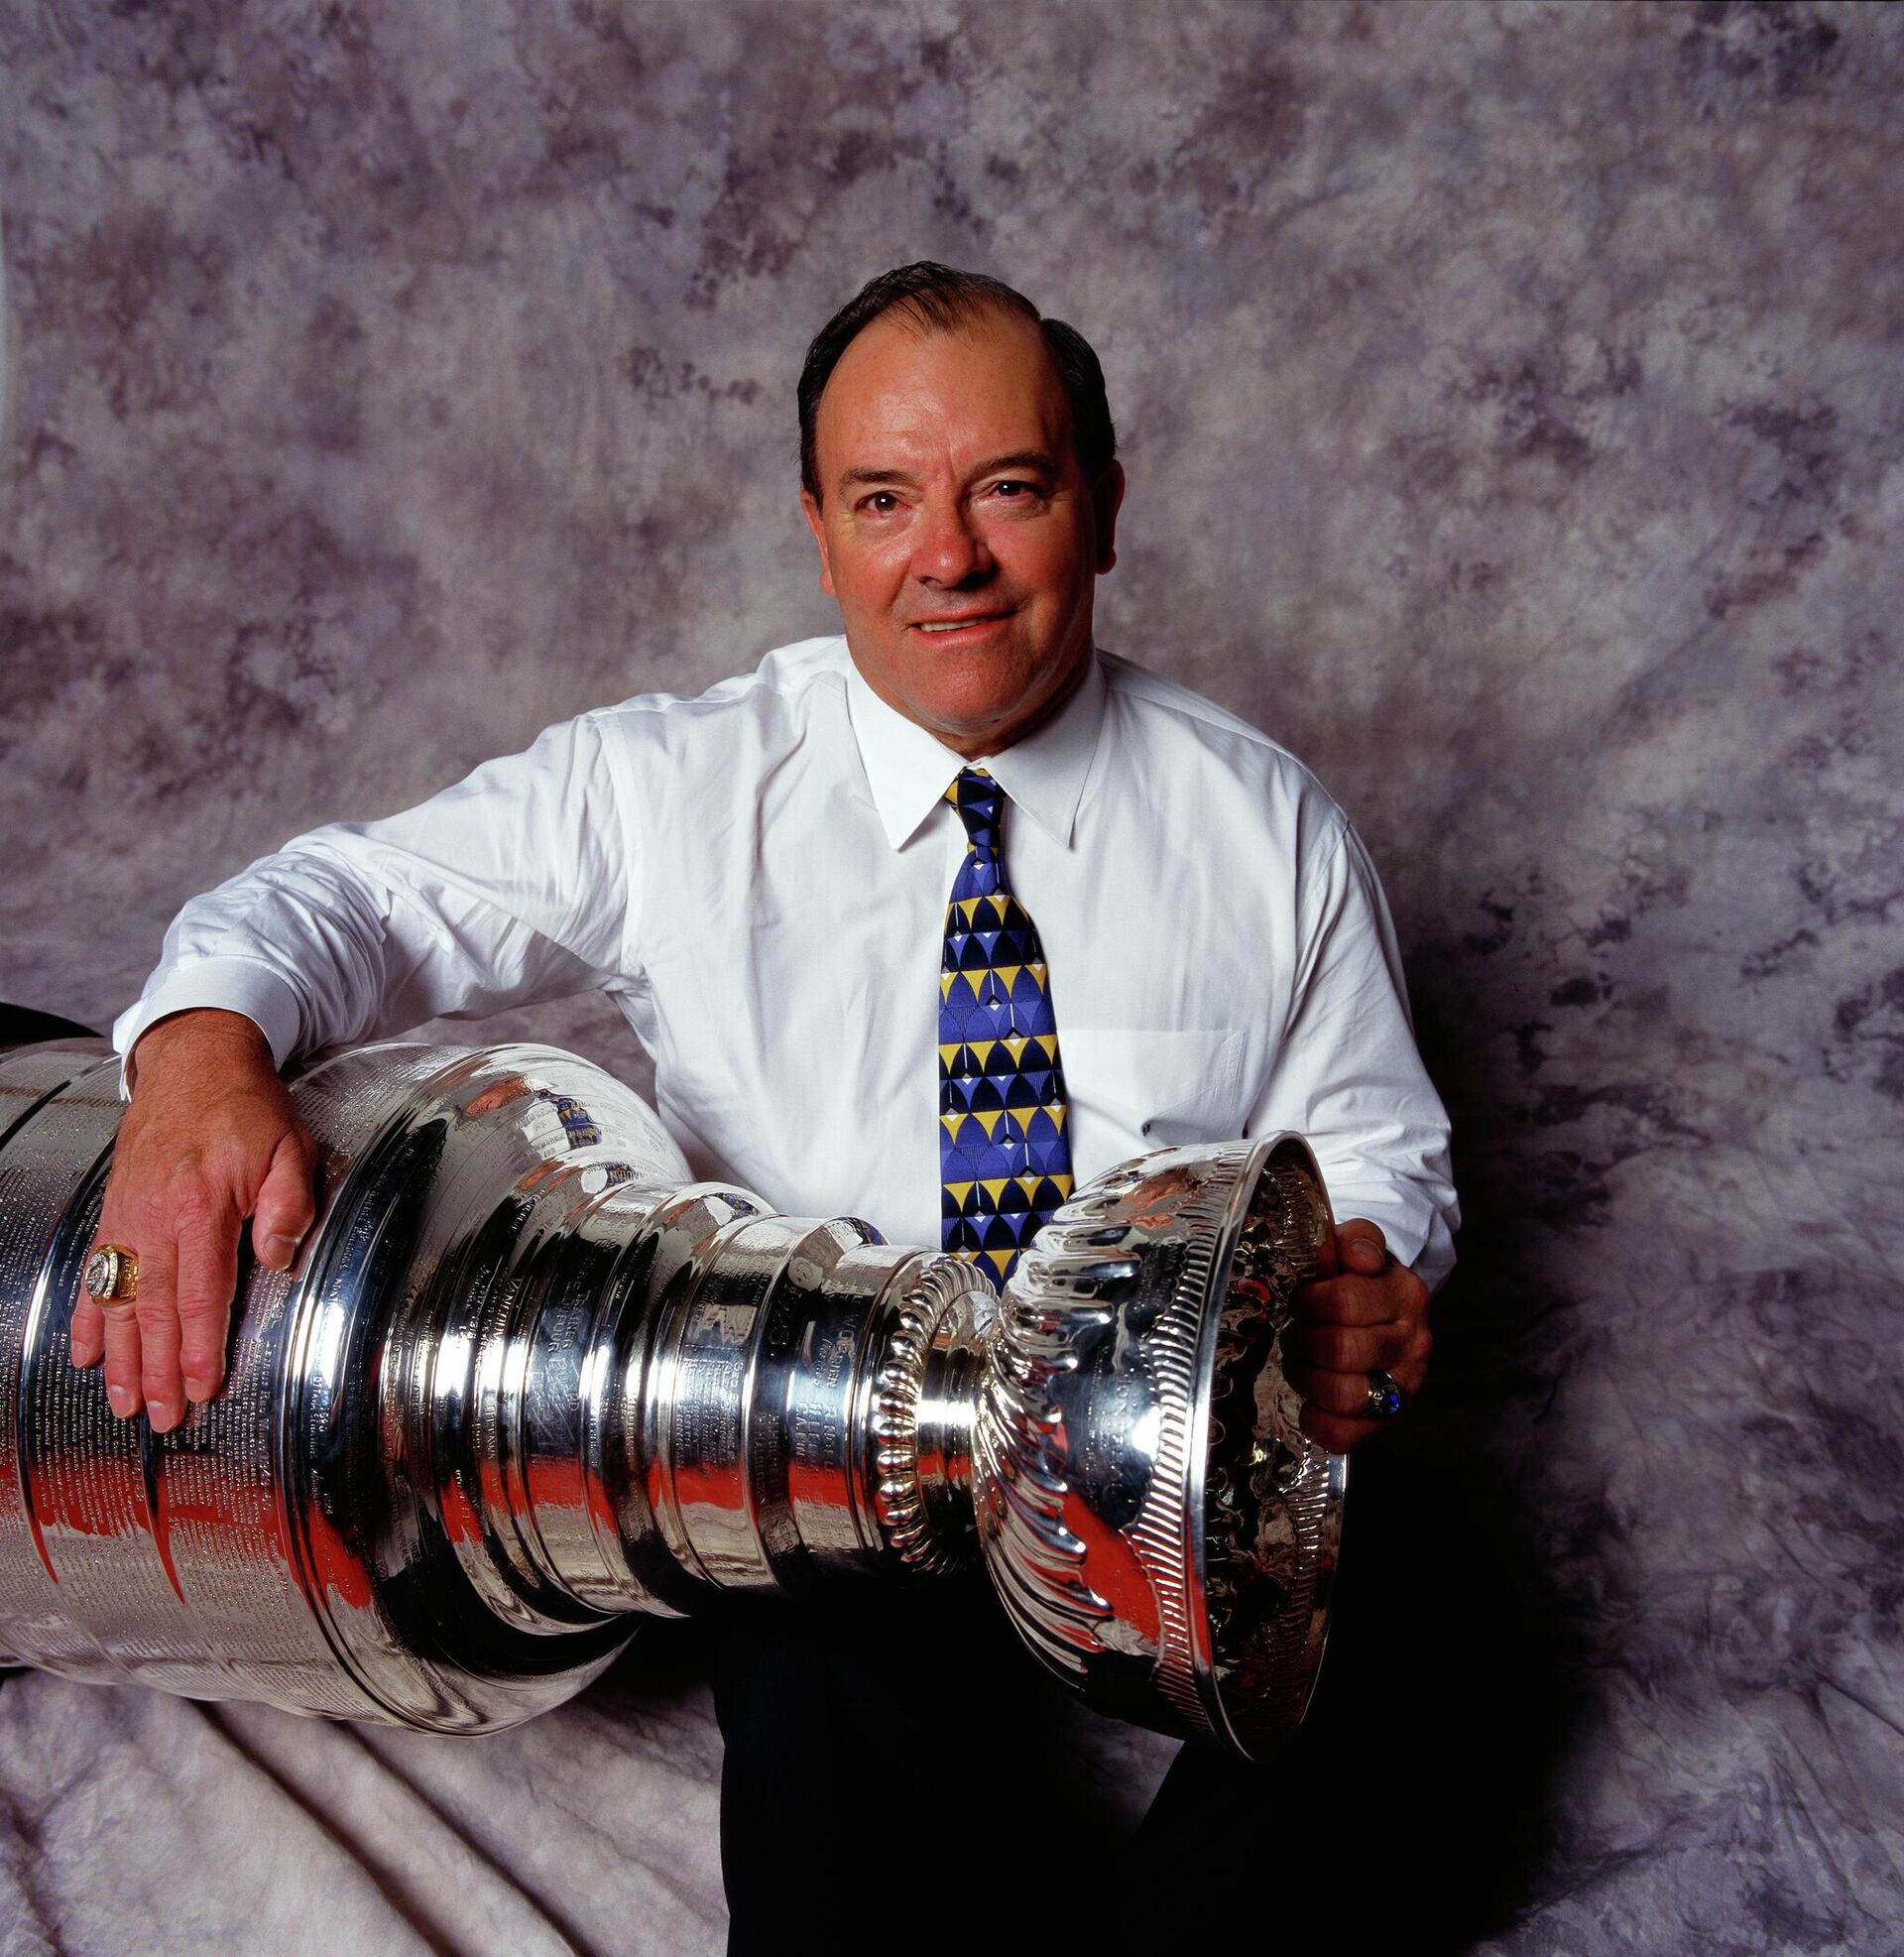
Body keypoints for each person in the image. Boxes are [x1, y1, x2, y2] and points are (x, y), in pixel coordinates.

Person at [79, 262, 1456, 1948]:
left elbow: (1374, 1148)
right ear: (819, 532)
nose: (945, 556)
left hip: (1161, 1457)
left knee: (1428, 1619)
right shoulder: (674, 784)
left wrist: (1365, 1284)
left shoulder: (1266, 824)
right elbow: (349, 900)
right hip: (830, 1468)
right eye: (884, 500)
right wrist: (199, 1049)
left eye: (1007, 489)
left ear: (1101, 505)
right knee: (821, 1713)